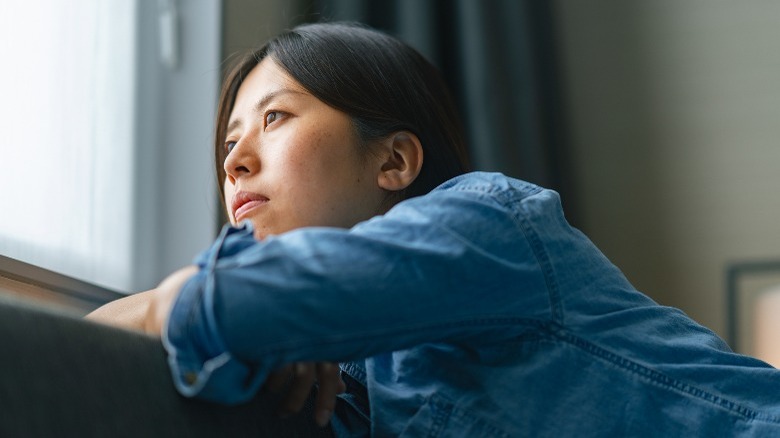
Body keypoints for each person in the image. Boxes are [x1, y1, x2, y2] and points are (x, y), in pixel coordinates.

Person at [45, 21, 780, 436]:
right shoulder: (348, 377)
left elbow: (212, 309)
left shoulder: (487, 219)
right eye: (227, 142)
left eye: (274, 118)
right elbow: (98, 352)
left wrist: (197, 306)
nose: (235, 158)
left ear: (394, 159)